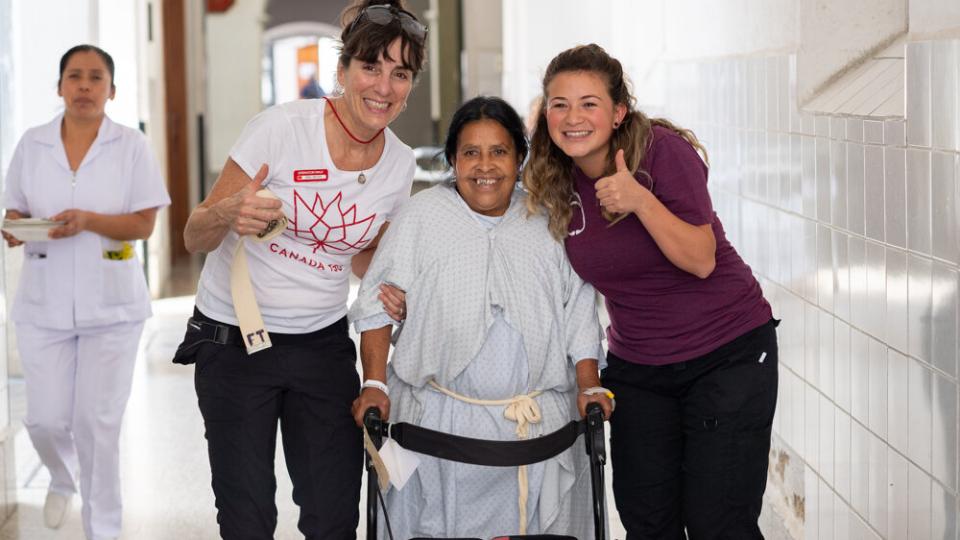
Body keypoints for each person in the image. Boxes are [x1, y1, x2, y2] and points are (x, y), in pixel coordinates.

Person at [177, 1, 426, 538]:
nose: (383, 86)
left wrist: (393, 289)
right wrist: (229, 212)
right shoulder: (281, 129)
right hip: (235, 342)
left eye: (400, 73)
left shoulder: (400, 165)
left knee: (333, 516)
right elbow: (194, 234)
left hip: (320, 345)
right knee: (247, 519)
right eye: (371, 67)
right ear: (342, 71)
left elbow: (359, 254)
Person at [524, 44, 778, 539]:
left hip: (726, 354)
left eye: (589, 103)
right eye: (560, 104)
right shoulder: (553, 180)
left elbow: (701, 259)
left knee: (717, 524)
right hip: (640, 367)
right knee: (647, 523)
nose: (573, 117)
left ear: (618, 111)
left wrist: (640, 200)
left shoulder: (660, 151)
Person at [349, 96, 613, 539]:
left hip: (535, 427)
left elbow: (578, 311)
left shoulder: (548, 220)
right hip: (439, 424)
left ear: (519, 158)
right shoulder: (421, 216)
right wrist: (374, 383)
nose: (484, 166)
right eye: (470, 152)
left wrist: (588, 384)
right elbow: (376, 303)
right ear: (452, 159)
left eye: (499, 152)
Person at [1, 44, 170, 540]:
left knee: (98, 426)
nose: (84, 86)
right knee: (46, 420)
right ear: (59, 87)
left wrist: (89, 221)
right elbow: (13, 212)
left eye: (96, 77)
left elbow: (143, 224)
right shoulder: (32, 145)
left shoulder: (131, 146)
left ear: (111, 91)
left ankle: (105, 531)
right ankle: (62, 474)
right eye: (74, 76)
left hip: (113, 308)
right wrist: (15, 227)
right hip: (42, 304)